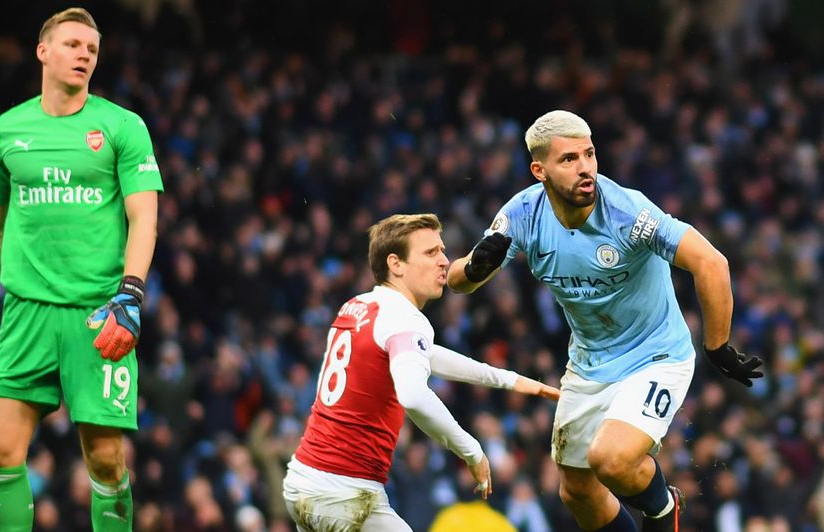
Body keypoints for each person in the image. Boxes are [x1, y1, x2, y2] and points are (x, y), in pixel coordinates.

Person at [448, 110, 763, 531]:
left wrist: (718, 346)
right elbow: (456, 281)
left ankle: (665, 508)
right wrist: (474, 269)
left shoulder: (627, 213)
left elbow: (711, 262)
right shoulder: (522, 214)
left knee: (610, 459)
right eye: (569, 159)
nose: (585, 168)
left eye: (590, 154)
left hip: (656, 354)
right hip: (589, 362)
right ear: (539, 170)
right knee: (576, 491)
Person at [0, 7, 162, 531]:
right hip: (26, 311)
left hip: (99, 315)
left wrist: (131, 295)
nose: (84, 56)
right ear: (43, 51)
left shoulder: (122, 126)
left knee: (106, 460)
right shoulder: (3, 133)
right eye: (73, 45)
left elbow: (144, 218)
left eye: (91, 50)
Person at [283, 213, 559, 531]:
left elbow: (429, 355)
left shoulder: (359, 305)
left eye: (442, 250)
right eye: (430, 253)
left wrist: (509, 380)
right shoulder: (405, 318)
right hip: (343, 492)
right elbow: (413, 396)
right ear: (395, 264)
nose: (444, 261)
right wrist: (472, 451)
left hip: (305, 480)